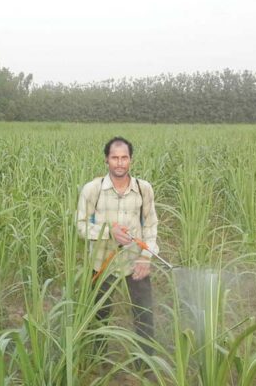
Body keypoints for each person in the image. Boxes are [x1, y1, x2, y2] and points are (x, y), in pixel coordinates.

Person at [76, 136, 159, 358]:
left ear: (131, 160)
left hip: (135, 263)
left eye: (124, 158)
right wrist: (107, 231)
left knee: (144, 314)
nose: (119, 163)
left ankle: (145, 362)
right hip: (102, 263)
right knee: (99, 314)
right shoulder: (92, 190)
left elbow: (151, 225)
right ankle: (98, 360)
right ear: (106, 160)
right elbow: (80, 226)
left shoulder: (144, 189)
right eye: (115, 158)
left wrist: (146, 256)